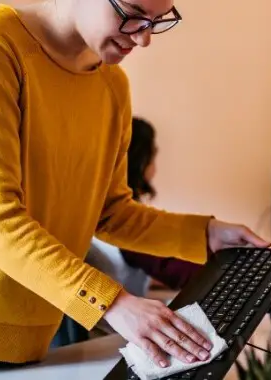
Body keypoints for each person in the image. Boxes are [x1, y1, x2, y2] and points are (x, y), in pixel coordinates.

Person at [0, 1, 270, 379]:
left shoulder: (112, 86)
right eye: (133, 13)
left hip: (24, 336)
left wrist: (205, 233)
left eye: (157, 21)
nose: (144, 37)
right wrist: (114, 304)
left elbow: (110, 212)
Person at [51, 117, 202, 347]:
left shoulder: (87, 211)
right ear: (141, 161)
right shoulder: (125, 226)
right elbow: (181, 272)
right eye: (154, 154)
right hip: (114, 340)